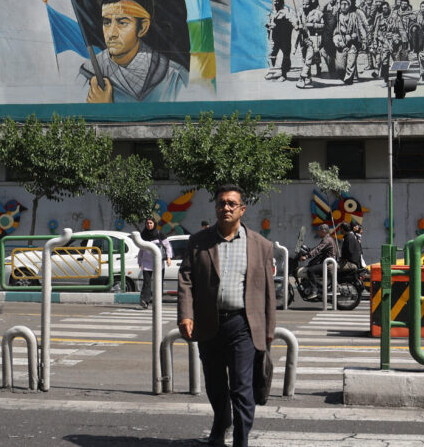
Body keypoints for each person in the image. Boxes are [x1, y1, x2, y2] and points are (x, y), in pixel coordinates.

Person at [177, 184, 276, 447]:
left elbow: (268, 292)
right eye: (221, 203)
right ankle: (220, 427)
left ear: (242, 210)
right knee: (215, 386)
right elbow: (186, 280)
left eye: (232, 203)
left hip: (243, 325)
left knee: (241, 388)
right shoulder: (199, 241)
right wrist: (186, 314)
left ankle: (241, 441)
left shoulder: (261, 245)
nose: (226, 208)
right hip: (208, 323)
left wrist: (269, 331)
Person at [80, 0, 188, 102]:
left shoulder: (174, 77)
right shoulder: (87, 73)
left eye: (122, 23)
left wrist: (106, 108)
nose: (111, 33)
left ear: (142, 28)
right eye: (107, 22)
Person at [137, 217, 173, 309]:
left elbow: (167, 246)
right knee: (146, 282)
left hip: (159, 263)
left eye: (151, 223)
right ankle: (145, 301)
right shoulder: (143, 235)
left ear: (154, 224)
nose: (149, 225)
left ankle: (158, 301)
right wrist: (140, 261)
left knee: (159, 282)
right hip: (146, 263)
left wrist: (169, 258)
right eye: (147, 223)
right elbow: (141, 250)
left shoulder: (160, 234)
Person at [296, 224, 338, 298]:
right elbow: (317, 248)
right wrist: (307, 249)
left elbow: (318, 250)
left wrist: (306, 256)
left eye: (319, 231)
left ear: (324, 231)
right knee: (311, 266)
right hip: (326, 261)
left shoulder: (327, 240)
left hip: (329, 264)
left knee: (310, 270)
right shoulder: (326, 238)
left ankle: (314, 291)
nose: (318, 232)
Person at [265, 0, 298, 81]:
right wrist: (268, 25)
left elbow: (293, 21)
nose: (276, 3)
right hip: (275, 38)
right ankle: (272, 72)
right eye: (274, 1)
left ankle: (284, 74)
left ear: (282, 2)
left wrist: (296, 25)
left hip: (284, 38)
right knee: (272, 55)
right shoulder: (273, 13)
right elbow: (270, 24)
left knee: (285, 56)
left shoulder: (286, 12)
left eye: (278, 1)